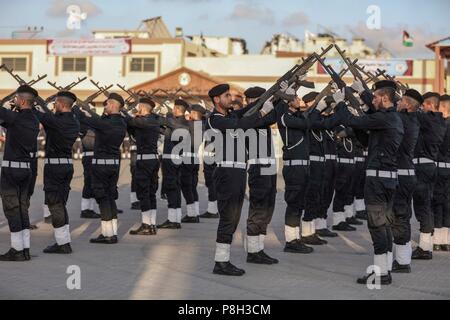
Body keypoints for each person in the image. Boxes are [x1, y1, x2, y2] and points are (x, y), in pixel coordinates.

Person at [338, 80, 404, 285]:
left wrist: (341, 103)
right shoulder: (389, 119)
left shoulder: (386, 118)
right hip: (386, 178)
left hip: (377, 179)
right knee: (383, 225)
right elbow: (366, 139)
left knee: (377, 226)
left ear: (384, 98)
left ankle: (380, 273)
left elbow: (355, 121)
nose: (372, 99)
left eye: (375, 96)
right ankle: (384, 270)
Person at [206, 83, 274, 276]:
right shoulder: (215, 119)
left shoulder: (230, 115)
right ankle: (221, 262)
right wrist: (262, 113)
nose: (231, 98)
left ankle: (223, 260)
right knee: (228, 217)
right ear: (217, 100)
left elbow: (245, 111)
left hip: (237, 172)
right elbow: (240, 123)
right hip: (226, 172)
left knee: (233, 217)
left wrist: (269, 98)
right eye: (227, 96)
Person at [74, 93, 127, 244]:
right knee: (110, 198)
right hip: (113, 165)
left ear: (111, 105)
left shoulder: (106, 123)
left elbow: (85, 119)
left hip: (101, 165)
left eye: (106, 104)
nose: (105, 107)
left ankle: (107, 234)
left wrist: (77, 108)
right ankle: (112, 232)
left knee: (103, 198)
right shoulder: (121, 123)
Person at [33, 91, 80, 253]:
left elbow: (39, 113)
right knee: (61, 204)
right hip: (67, 166)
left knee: (55, 204)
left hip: (54, 168)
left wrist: (35, 99)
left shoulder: (56, 121)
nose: (54, 106)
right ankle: (63, 241)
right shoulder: (74, 122)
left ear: (61, 103)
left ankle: (62, 244)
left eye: (56, 103)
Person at [0, 85, 40, 261]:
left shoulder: (15, 118)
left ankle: (17, 250)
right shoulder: (33, 119)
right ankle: (24, 249)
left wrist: (8, 107)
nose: (15, 101)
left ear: (22, 101)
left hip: (11, 169)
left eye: (17, 99)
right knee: (23, 208)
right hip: (26, 169)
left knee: (12, 208)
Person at [243, 86, 279, 264]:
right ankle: (252, 251)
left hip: (269, 165)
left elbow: (273, 115)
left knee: (268, 206)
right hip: (258, 166)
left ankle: (259, 248)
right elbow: (273, 116)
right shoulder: (250, 118)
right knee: (258, 208)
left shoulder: (260, 115)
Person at [412, 92, 446, 259]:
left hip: (424, 167)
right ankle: (426, 244)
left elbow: (416, 114)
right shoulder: (433, 121)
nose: (422, 108)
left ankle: (425, 248)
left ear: (432, 106)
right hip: (425, 166)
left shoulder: (433, 120)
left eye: (424, 105)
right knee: (423, 206)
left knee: (424, 206)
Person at [390, 89, 421, 273]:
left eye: (401, 100)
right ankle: (402, 257)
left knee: (400, 217)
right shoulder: (413, 119)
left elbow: (388, 117)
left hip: (401, 173)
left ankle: (402, 261)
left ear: (408, 104)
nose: (398, 102)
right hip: (407, 172)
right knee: (402, 216)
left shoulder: (404, 120)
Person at [124, 97, 161, 235]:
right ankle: (151, 225)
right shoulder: (153, 120)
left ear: (144, 109)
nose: (137, 110)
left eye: (139, 107)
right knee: (151, 193)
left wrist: (124, 113)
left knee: (144, 193)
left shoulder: (147, 120)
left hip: (145, 161)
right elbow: (133, 129)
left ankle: (146, 225)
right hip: (152, 160)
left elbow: (130, 121)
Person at [157, 99, 190, 229]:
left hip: (172, 160)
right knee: (174, 189)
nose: (173, 110)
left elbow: (165, 122)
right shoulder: (174, 123)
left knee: (172, 188)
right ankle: (175, 219)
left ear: (177, 109)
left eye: (174, 108)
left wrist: (163, 115)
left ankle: (173, 220)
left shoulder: (180, 123)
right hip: (174, 159)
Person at [432, 94, 450, 252]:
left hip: (439, 167)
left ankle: (437, 239)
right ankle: (446, 240)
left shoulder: (440, 125)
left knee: (437, 202)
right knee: (448, 203)